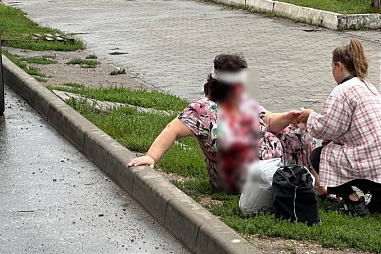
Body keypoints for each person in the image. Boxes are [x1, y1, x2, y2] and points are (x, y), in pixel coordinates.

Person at [128, 54, 313, 194]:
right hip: (235, 176)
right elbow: (172, 130)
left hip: (267, 166)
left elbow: (270, 120)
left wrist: (289, 117)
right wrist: (151, 157)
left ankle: (309, 184)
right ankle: (291, 183)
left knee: (297, 133)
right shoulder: (203, 110)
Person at [298, 40, 381, 217]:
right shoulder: (368, 86)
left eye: (332, 67)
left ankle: (352, 201)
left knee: (319, 156)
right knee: (346, 155)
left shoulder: (342, 91)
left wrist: (309, 117)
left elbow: (328, 128)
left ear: (338, 66)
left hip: (370, 156)